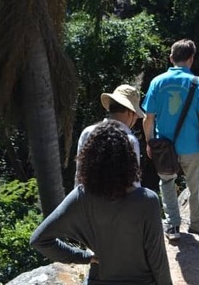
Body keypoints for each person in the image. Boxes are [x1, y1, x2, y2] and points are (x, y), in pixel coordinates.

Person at [30, 121, 173, 285]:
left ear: (89, 159)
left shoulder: (81, 197)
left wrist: (83, 257)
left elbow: (39, 240)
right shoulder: (147, 201)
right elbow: (158, 260)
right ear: (129, 158)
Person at [142, 39, 199, 241]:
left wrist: (150, 142)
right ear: (191, 59)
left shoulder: (157, 82)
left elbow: (148, 118)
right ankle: (198, 226)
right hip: (192, 147)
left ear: (171, 58)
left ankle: (173, 226)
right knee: (196, 186)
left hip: (164, 146)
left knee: (166, 183)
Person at [76, 84, 144, 185]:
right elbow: (134, 183)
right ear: (130, 113)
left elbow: (79, 176)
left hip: (90, 198)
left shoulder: (87, 132)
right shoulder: (130, 140)